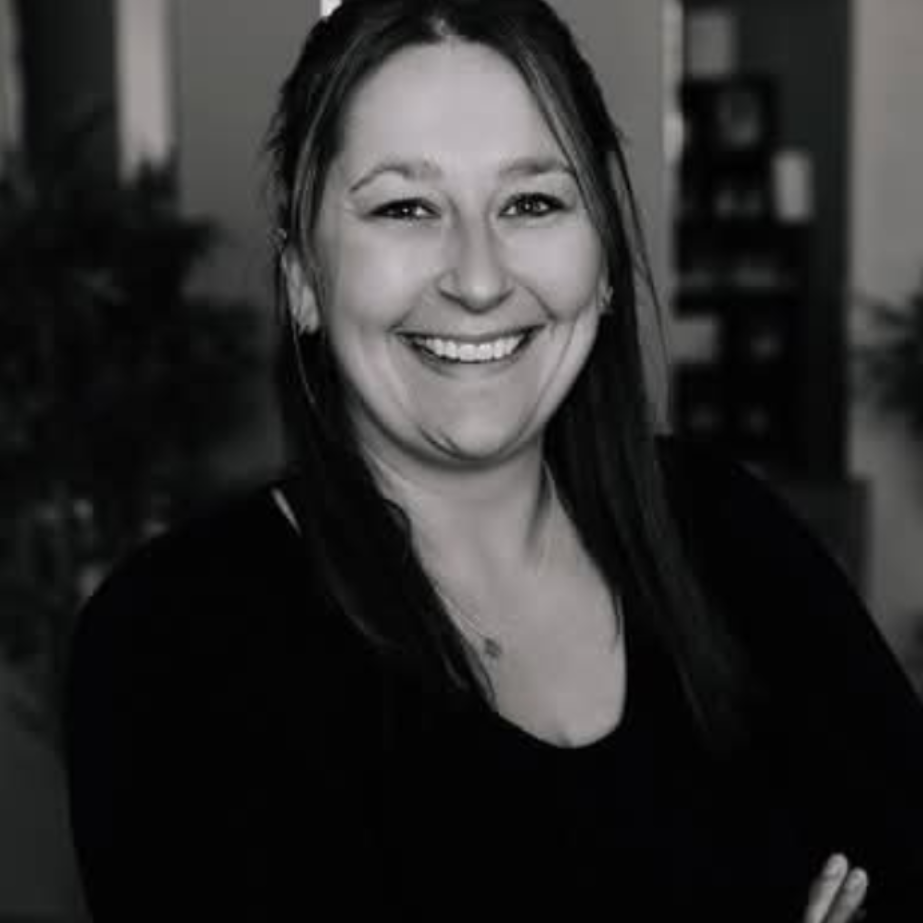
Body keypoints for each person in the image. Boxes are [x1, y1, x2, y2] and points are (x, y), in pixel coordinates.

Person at [64, 1, 923, 920]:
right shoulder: (177, 641)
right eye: (404, 207)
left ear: (603, 262)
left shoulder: (725, 530)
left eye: (531, 203)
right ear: (304, 277)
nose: (477, 279)